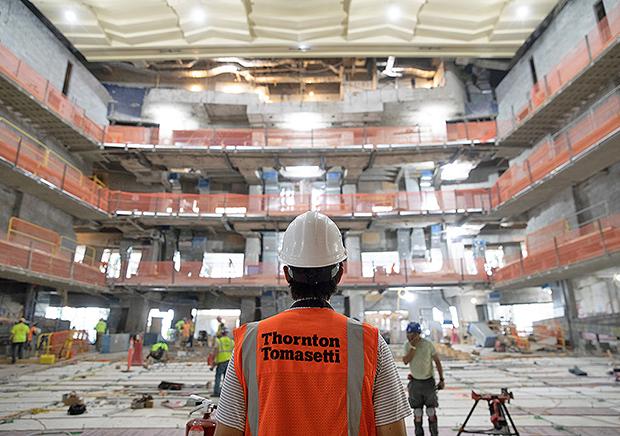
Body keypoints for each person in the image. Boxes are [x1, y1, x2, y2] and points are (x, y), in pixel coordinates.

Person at [214, 211, 410, 436]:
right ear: (339, 275)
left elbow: (226, 431)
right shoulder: (370, 344)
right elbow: (393, 432)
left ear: (287, 274)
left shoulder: (250, 342)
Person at [403, 322, 445, 436]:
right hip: (415, 383)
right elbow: (406, 361)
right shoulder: (407, 346)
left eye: (412, 334)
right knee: (417, 412)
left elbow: (437, 361)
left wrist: (441, 379)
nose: (409, 336)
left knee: (431, 411)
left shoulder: (427, 345)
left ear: (418, 334)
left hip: (428, 382)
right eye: (408, 334)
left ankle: (434, 433)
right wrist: (413, 346)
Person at [211, 326, 233, 397]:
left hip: (221, 362)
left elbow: (215, 352)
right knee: (227, 379)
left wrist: (213, 363)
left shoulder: (219, 341)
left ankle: (216, 392)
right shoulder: (231, 341)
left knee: (218, 377)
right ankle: (226, 394)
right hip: (229, 362)